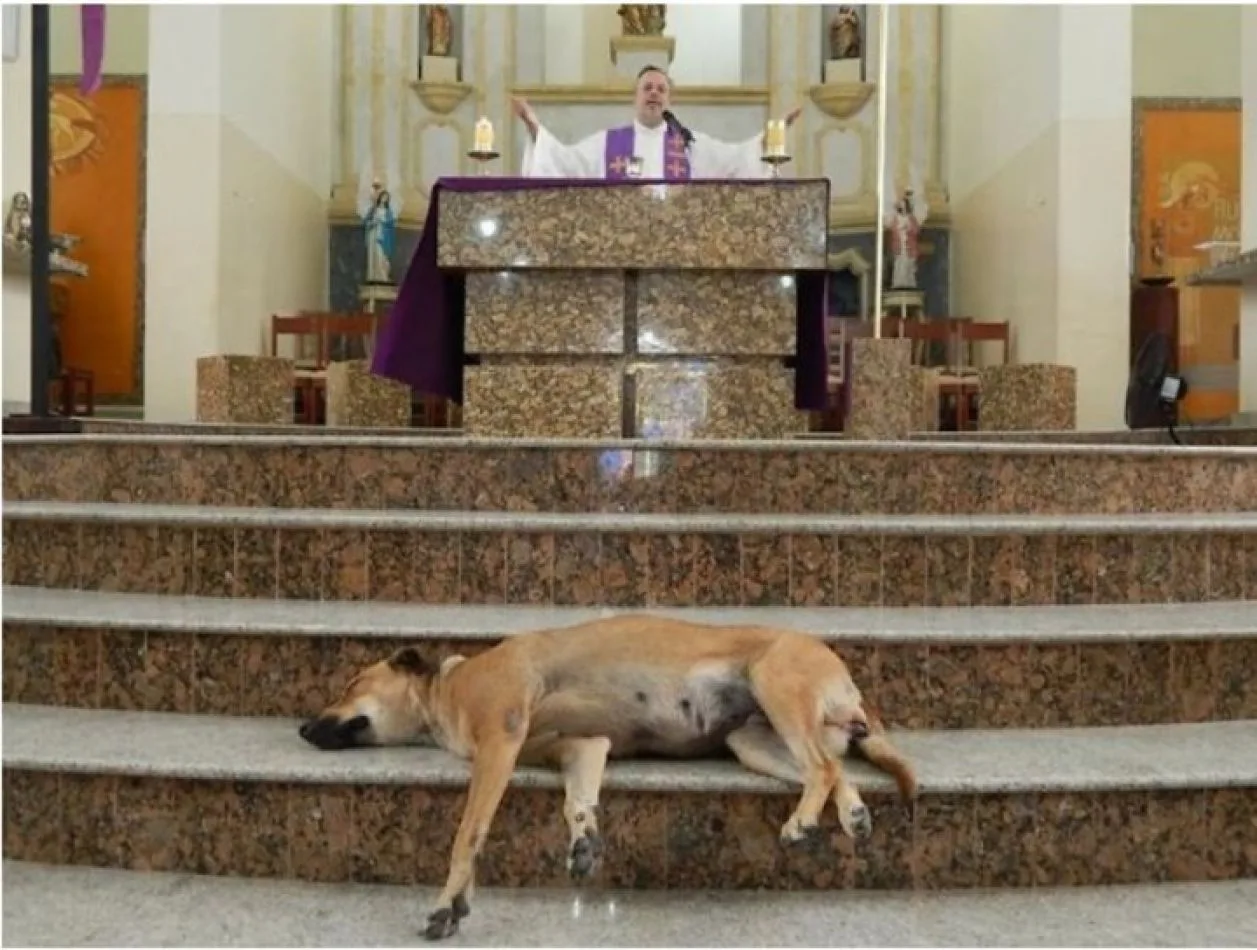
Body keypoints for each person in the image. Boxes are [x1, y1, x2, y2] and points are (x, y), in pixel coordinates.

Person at [514, 65, 802, 180]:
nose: (654, 93)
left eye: (661, 89)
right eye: (647, 88)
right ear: (635, 97)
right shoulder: (608, 143)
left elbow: (736, 158)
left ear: (669, 101)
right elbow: (566, 162)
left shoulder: (689, 144)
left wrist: (772, 137)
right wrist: (534, 126)